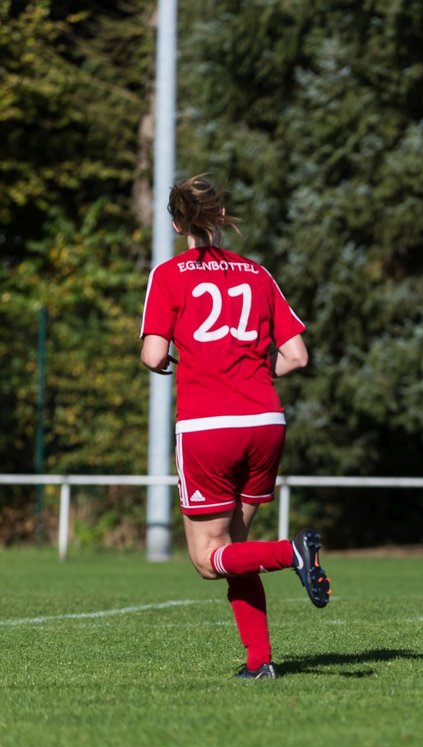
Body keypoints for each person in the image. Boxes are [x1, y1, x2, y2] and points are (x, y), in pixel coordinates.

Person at [140, 175, 331, 679]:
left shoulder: (169, 274)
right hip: (265, 421)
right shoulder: (259, 274)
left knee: (207, 560)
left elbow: (154, 353)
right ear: (222, 219)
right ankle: (259, 661)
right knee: (236, 549)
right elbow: (297, 355)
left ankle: (292, 552)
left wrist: (167, 363)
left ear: (177, 222)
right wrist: (250, 371)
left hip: (209, 427)